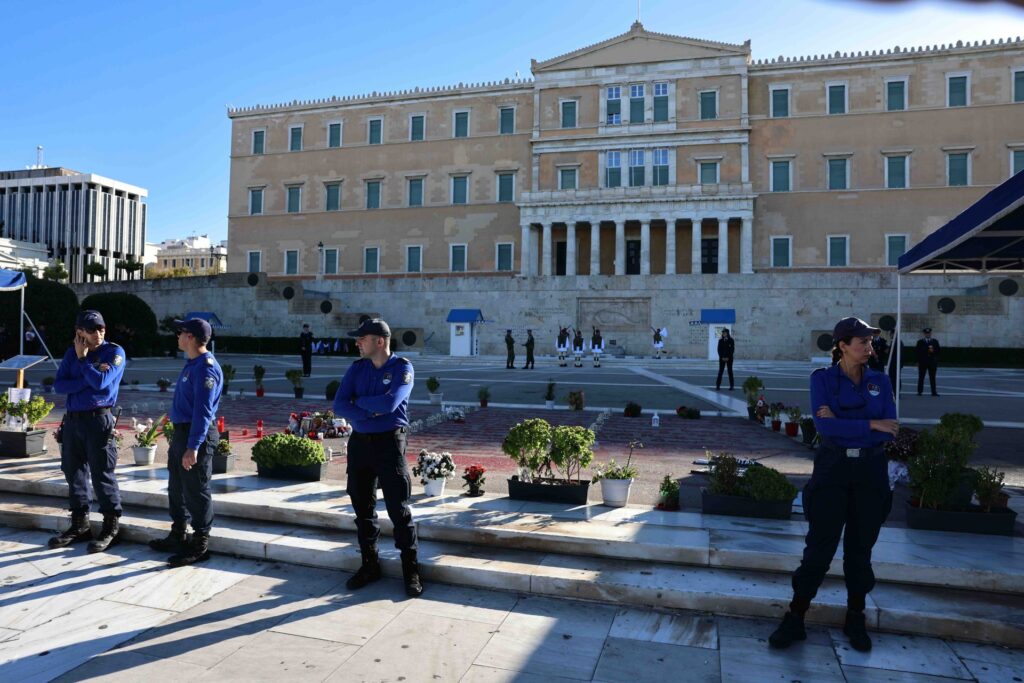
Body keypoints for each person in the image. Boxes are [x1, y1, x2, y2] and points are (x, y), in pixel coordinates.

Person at [769, 317, 899, 653]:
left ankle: (855, 616)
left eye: (870, 343)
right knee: (819, 548)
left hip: (870, 469)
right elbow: (826, 431)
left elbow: (892, 426)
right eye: (862, 343)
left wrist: (844, 422)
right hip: (833, 468)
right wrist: (872, 423)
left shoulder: (880, 382)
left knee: (860, 550)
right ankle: (796, 616)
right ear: (842, 345)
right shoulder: (822, 380)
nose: (869, 348)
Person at [332, 318, 422, 597]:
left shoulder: (402, 368)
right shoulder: (357, 368)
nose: (357, 343)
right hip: (360, 444)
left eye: (362, 339)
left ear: (380, 341)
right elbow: (339, 404)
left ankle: (411, 570)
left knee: (398, 508)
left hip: (389, 443)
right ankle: (369, 564)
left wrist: (359, 405)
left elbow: (391, 402)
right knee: (362, 507)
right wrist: (370, 410)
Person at [48, 310, 126, 553]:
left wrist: (83, 363)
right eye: (91, 330)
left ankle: (110, 526)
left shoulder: (114, 352)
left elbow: (102, 384)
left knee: (102, 473)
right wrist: (87, 374)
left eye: (101, 328)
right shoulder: (73, 352)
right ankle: (80, 525)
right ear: (79, 332)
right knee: (74, 473)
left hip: (98, 420)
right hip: (73, 421)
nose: (98, 333)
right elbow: (59, 385)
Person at [148, 318, 223, 567]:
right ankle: (178, 533)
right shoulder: (193, 363)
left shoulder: (206, 368)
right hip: (183, 433)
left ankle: (200, 542)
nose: (177, 336)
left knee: (196, 490)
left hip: (196, 435)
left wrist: (193, 447)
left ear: (190, 337)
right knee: (177, 487)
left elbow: (202, 412)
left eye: (180, 332)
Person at [916, 327, 940, 397]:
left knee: (932, 378)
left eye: (929, 333)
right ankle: (919, 391)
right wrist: (918, 361)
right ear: (924, 334)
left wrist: (934, 354)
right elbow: (917, 352)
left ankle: (934, 392)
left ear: (930, 333)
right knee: (921, 377)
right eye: (926, 333)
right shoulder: (920, 342)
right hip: (923, 362)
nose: (928, 334)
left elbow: (938, 351)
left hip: (932, 362)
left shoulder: (935, 341)